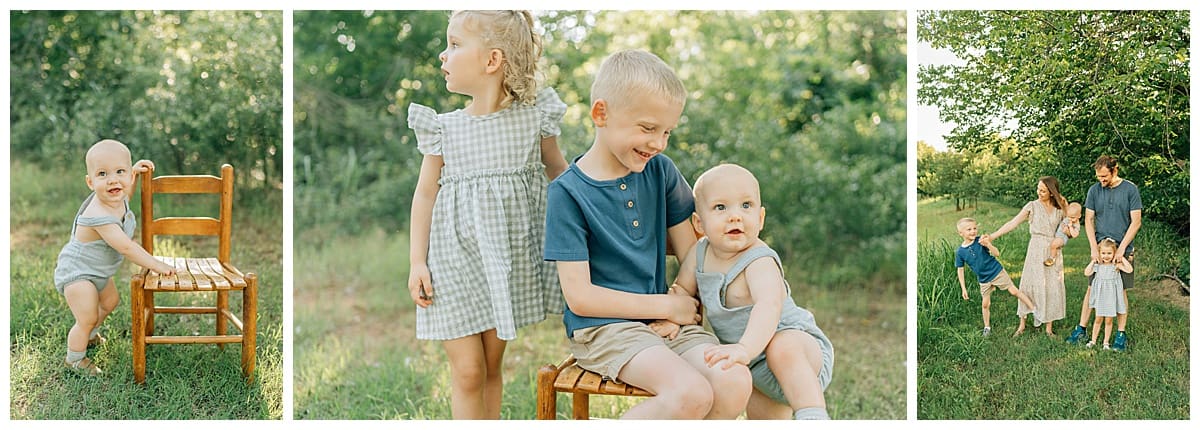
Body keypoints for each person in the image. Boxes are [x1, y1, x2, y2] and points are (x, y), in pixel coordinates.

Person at [544, 50, 751, 419]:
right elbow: (580, 298)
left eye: (667, 131)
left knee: (732, 379)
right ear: (601, 114)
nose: (658, 143)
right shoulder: (568, 193)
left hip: (669, 321)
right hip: (603, 330)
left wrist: (680, 310)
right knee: (690, 394)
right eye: (647, 128)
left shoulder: (661, 172)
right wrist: (666, 305)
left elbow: (694, 256)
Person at [405, 10, 569, 419]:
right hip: (453, 263)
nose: (443, 55)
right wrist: (416, 262)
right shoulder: (444, 128)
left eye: (455, 45)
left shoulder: (534, 120)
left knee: (492, 367)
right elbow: (425, 195)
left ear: (492, 60)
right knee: (468, 371)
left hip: (504, 265)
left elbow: (561, 177)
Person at [663, 164, 834, 420]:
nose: (735, 216)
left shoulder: (758, 260)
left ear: (761, 218)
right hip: (752, 365)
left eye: (746, 206)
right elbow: (682, 290)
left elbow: (769, 305)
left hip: (799, 354)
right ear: (699, 222)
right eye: (721, 207)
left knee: (781, 346)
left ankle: (813, 415)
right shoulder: (699, 254)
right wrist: (670, 318)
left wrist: (744, 347)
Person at [54, 139, 176, 375]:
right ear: (90, 182)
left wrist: (136, 174)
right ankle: (75, 359)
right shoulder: (98, 213)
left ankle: (89, 335)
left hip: (99, 271)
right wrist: (157, 264)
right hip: (78, 272)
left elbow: (125, 190)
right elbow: (128, 248)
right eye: (102, 174)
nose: (112, 179)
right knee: (87, 315)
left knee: (110, 302)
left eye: (120, 172)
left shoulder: (116, 197)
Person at [1066, 156, 1143, 351]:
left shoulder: (1130, 189)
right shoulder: (1094, 190)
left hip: (1123, 247)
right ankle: (1082, 329)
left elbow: (1136, 222)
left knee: (1120, 290)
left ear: (1114, 170)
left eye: (1104, 176)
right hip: (1101, 248)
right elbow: (1089, 220)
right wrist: (1094, 247)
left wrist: (1123, 248)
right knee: (1092, 288)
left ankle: (1120, 334)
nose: (1101, 180)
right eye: (1099, 176)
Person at [985, 176, 1068, 337]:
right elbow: (1012, 223)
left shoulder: (1060, 208)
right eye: (1038, 189)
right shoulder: (1032, 206)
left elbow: (1070, 222)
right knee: (1029, 284)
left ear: (1052, 192)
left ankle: (1048, 327)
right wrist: (992, 237)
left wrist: (1065, 205)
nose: (1039, 192)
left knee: (1052, 285)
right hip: (1036, 248)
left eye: (1043, 190)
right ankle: (1022, 324)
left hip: (1053, 249)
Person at [954, 218, 1037, 337]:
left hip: (996, 271)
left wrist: (988, 244)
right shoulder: (960, 252)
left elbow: (997, 253)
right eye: (969, 229)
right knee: (985, 304)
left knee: (1014, 291)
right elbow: (960, 270)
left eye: (974, 228)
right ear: (961, 233)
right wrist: (963, 288)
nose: (973, 231)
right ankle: (987, 327)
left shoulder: (981, 241)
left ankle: (1034, 309)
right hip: (983, 279)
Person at [1083, 239, 1132, 350]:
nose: (1106, 256)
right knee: (1098, 319)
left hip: (1111, 298)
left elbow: (1129, 269)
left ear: (1114, 253)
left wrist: (1122, 258)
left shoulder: (1116, 266)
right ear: (1100, 253)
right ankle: (1093, 340)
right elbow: (1086, 272)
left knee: (1109, 320)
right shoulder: (1098, 265)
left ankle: (1106, 342)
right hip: (1101, 297)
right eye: (1103, 253)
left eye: (1109, 253)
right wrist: (1093, 261)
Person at [1043, 202, 1081, 266]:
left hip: (1062, 238)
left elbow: (1075, 235)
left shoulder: (1076, 225)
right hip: (1058, 235)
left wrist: (1070, 228)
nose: (1070, 219)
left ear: (1079, 216)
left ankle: (1052, 258)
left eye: (1073, 218)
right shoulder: (1069, 217)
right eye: (1068, 217)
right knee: (1053, 244)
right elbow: (1065, 207)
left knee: (1053, 245)